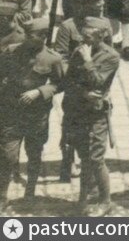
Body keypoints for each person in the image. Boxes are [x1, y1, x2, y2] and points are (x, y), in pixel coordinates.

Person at [0, 17, 63, 210]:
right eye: (27, 35)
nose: (28, 39)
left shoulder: (53, 58)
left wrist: (40, 92)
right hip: (11, 111)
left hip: (37, 115)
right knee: (7, 155)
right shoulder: (11, 52)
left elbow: (60, 83)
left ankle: (30, 192)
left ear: (44, 36)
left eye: (33, 36)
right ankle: (2, 195)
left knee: (34, 153)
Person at [62, 16, 120, 215]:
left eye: (88, 35)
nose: (83, 38)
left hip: (96, 113)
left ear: (101, 36)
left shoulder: (111, 56)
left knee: (96, 158)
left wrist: (87, 61)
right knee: (84, 156)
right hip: (78, 110)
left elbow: (98, 82)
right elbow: (68, 82)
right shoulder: (79, 51)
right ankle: (85, 197)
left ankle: (105, 201)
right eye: (83, 34)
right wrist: (82, 93)